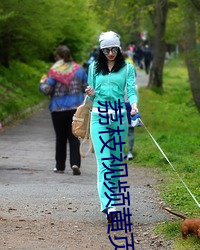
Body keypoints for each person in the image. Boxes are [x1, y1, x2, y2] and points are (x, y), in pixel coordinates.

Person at [85, 31, 138, 222]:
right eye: (106, 50)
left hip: (119, 118)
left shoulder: (127, 68)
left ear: (119, 48)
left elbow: (131, 90)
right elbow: (91, 96)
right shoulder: (94, 68)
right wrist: (90, 92)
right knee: (105, 162)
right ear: (101, 50)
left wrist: (133, 104)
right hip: (99, 117)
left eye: (114, 49)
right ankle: (108, 205)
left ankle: (113, 200)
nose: (110, 53)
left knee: (115, 163)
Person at [39, 45, 88, 175]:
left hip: (58, 109)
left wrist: (42, 83)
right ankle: (75, 163)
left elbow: (47, 90)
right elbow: (86, 87)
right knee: (74, 137)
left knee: (60, 138)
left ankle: (60, 166)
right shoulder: (79, 70)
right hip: (75, 109)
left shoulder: (54, 71)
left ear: (58, 57)